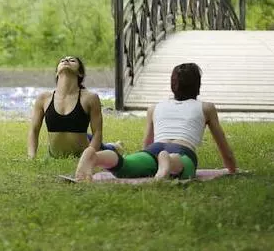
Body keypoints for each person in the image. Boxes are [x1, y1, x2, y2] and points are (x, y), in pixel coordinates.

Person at [74, 63, 237, 181]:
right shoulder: (206, 108)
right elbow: (223, 145)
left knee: (125, 165)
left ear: (173, 85)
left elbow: (147, 142)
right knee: (185, 168)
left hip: (154, 149)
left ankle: (95, 156)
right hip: (182, 149)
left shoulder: (155, 107)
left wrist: (145, 161)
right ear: (197, 85)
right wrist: (231, 169)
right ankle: (169, 162)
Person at [28, 55, 120, 159]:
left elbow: (97, 133)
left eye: (72, 60)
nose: (66, 61)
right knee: (87, 137)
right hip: (55, 154)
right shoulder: (43, 98)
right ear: (57, 72)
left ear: (80, 73)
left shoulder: (90, 98)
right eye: (62, 60)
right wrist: (32, 157)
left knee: (107, 149)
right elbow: (34, 130)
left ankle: (114, 146)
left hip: (83, 151)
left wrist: (87, 158)